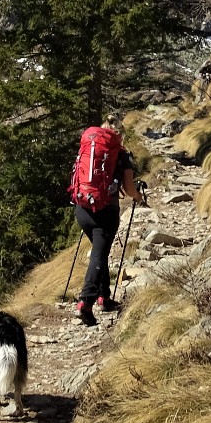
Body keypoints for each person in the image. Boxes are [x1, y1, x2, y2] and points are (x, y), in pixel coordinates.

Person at [73, 115, 146, 326]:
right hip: (106, 211)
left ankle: (103, 296)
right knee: (99, 254)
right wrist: (139, 198)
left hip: (82, 209)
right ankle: (85, 303)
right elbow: (130, 188)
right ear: (119, 135)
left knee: (99, 250)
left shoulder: (90, 148)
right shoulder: (122, 156)